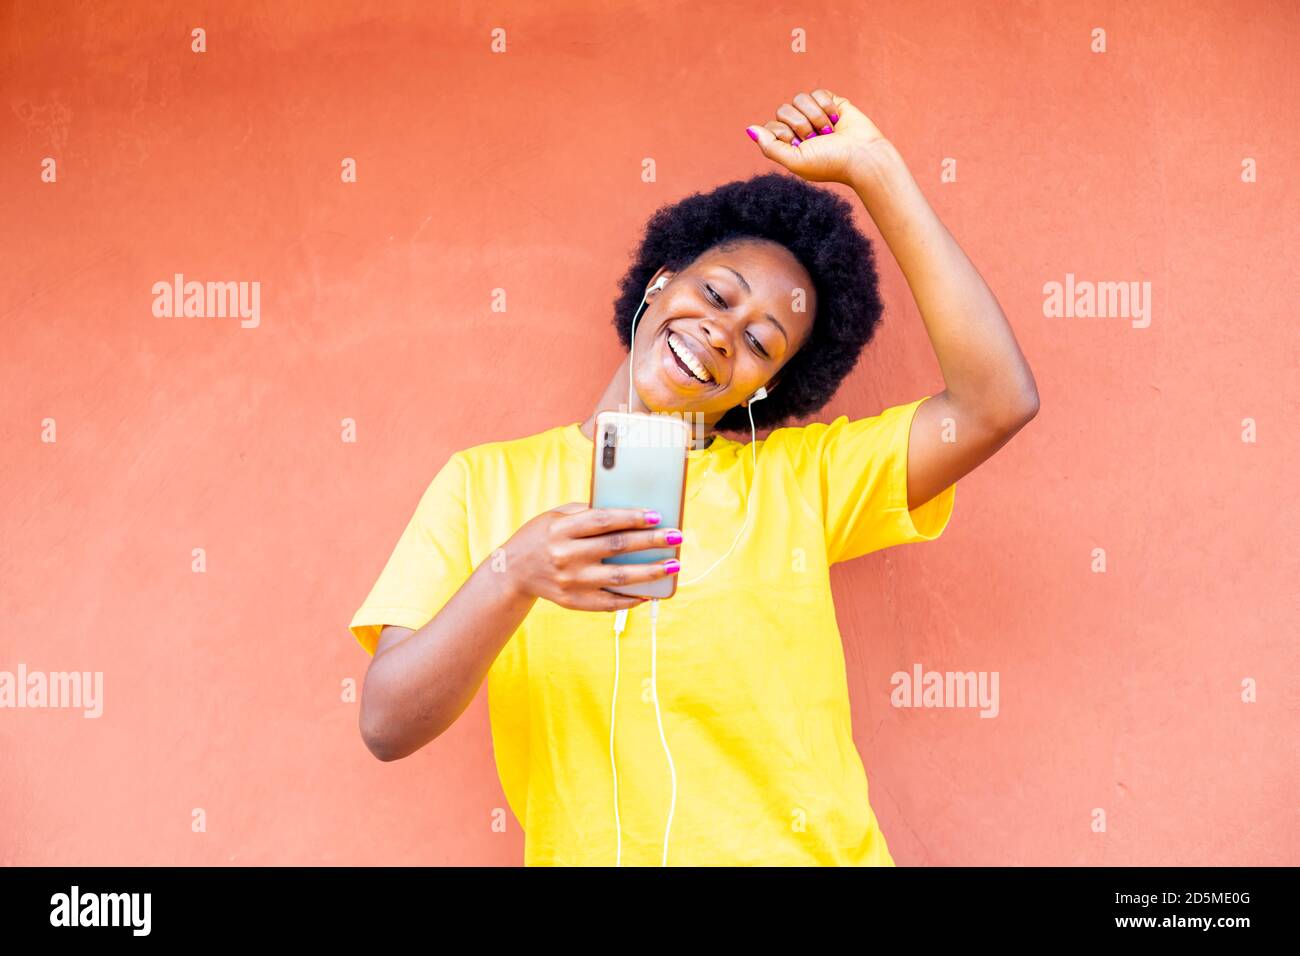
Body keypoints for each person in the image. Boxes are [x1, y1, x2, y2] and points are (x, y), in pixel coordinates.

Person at [348, 89, 1040, 866]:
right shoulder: (482, 484)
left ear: (766, 389)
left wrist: (875, 170)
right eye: (715, 294)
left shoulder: (803, 482)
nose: (720, 334)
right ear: (659, 282)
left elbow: (995, 402)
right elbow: (386, 724)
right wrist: (515, 574)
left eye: (760, 343)